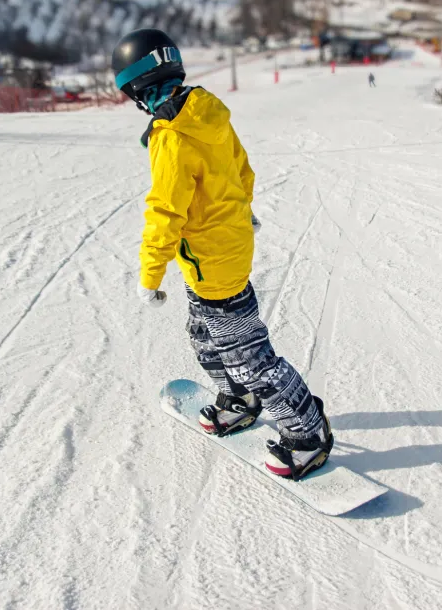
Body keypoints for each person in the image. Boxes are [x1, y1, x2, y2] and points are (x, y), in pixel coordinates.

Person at [112, 28, 333, 479]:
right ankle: (240, 399)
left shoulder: (171, 134)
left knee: (248, 356)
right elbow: (240, 168)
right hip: (219, 250)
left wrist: (150, 273)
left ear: (138, 87)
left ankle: (307, 433)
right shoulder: (204, 111)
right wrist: (242, 214)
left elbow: (164, 211)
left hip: (212, 261)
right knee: (203, 334)